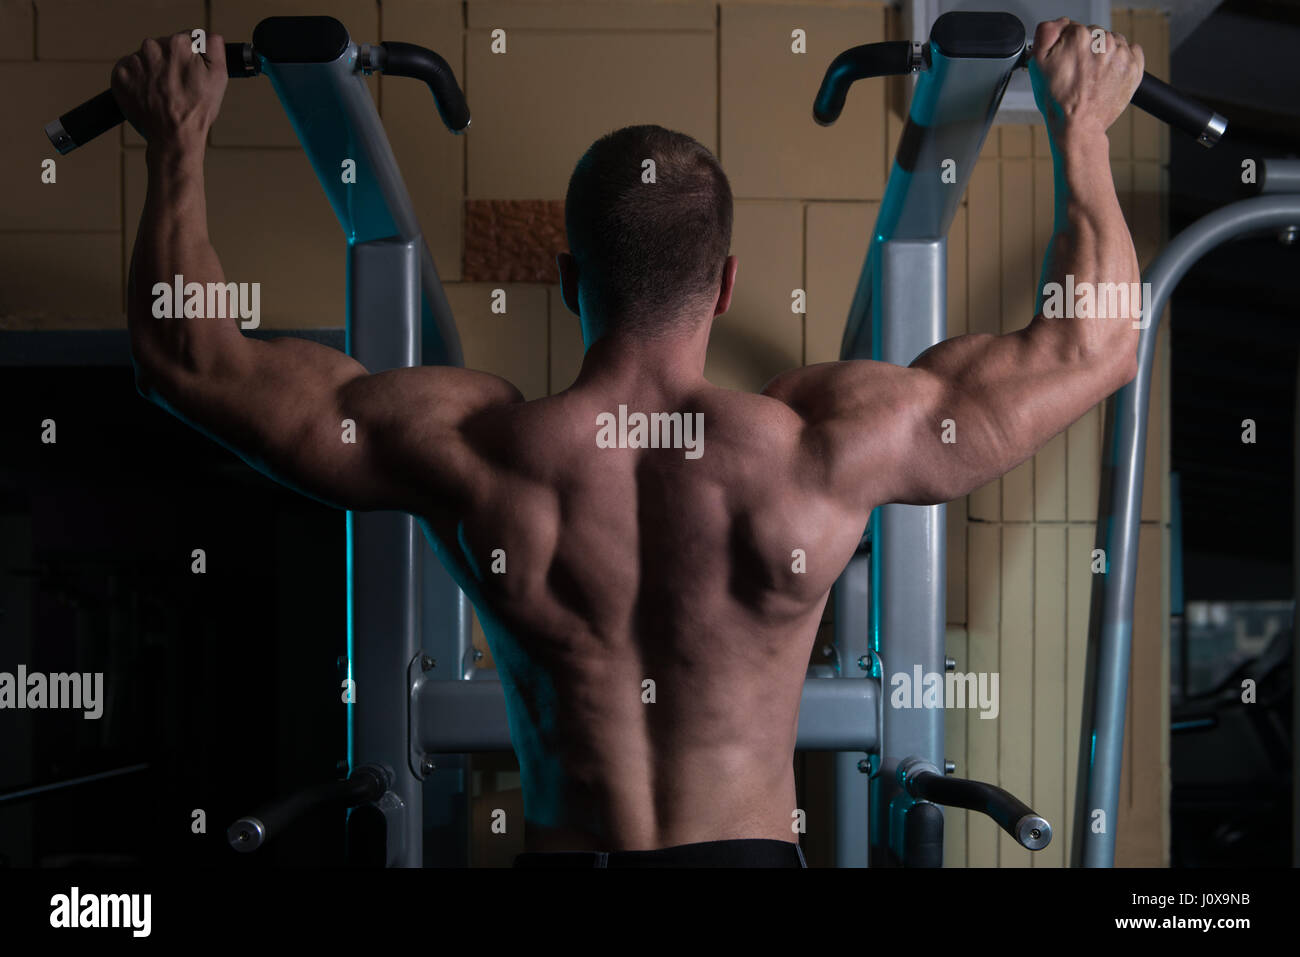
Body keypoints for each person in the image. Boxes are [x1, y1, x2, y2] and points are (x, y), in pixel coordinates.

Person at [111, 17, 1143, 868]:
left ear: (570, 281)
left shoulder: (473, 446)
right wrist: (1081, 129)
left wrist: (177, 139)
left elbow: (189, 359)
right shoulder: (819, 447)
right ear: (726, 282)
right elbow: (1094, 346)